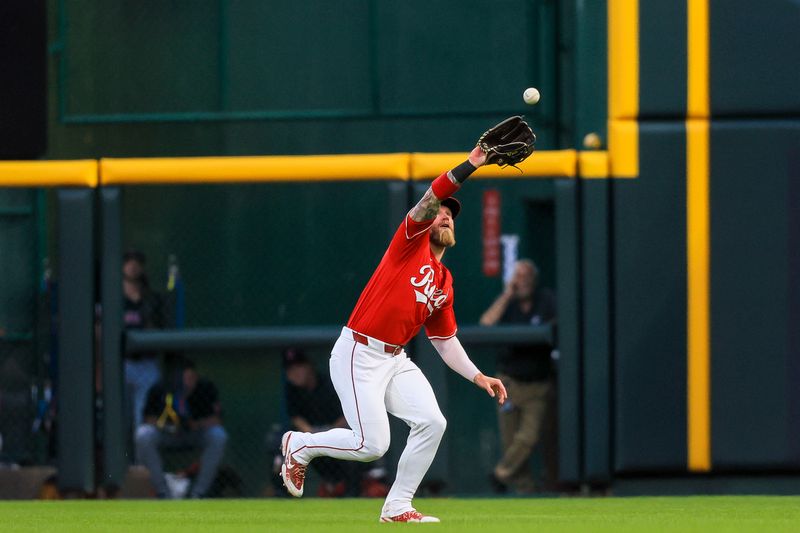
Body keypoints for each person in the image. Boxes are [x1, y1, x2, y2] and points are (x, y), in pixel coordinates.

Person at [279, 130, 512, 523]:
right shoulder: (410, 243)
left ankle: (398, 505)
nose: (445, 216)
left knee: (432, 422)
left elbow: (444, 340)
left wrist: (478, 376)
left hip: (395, 359)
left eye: (451, 215)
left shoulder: (443, 282)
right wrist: (471, 164)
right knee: (373, 445)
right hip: (359, 351)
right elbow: (428, 199)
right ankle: (300, 446)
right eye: (442, 211)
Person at [479, 258, 557, 493]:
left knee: (528, 437)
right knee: (511, 441)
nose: (522, 281)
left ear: (534, 279)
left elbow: (555, 326)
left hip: (537, 385)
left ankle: (500, 474)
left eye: (526, 276)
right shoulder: (508, 303)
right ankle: (526, 491)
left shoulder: (546, 300)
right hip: (509, 384)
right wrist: (506, 294)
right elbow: (486, 324)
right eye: (518, 276)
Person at [283, 348, 388, 498]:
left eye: (299, 366)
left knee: (361, 451)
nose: (295, 373)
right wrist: (310, 434)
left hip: (339, 432)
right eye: (290, 369)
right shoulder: (292, 389)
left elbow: (348, 414)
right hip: (312, 434)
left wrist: (327, 434)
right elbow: (295, 417)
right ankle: (288, 495)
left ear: (309, 366)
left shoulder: (329, 383)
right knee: (278, 446)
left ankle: (349, 493)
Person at [135, 358, 228, 498]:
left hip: (196, 434)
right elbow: (148, 419)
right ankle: (163, 493)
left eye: (191, 377)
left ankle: (198, 494)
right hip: (168, 434)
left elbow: (217, 420)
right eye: (183, 378)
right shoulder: (161, 389)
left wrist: (196, 424)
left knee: (218, 435)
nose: (187, 382)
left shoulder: (205, 388)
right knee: (143, 435)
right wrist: (167, 424)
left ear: (196, 376)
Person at [122, 249, 165, 431]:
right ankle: (119, 459)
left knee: (142, 417)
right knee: (119, 416)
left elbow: (161, 328)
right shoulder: (112, 297)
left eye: (137, 261)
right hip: (120, 362)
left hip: (146, 362)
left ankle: (139, 459)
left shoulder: (152, 299)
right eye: (128, 261)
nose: (133, 266)